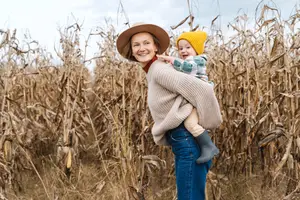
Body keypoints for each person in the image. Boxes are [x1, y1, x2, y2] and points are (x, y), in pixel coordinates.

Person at [116, 22, 222, 200]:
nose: (142, 48)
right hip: (184, 140)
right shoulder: (153, 70)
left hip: (187, 139)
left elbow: (203, 90)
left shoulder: (159, 70)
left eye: (146, 43)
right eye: (136, 45)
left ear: (156, 46)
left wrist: (209, 121)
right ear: (131, 51)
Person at [156, 30, 219, 164]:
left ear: (196, 49)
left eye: (188, 47)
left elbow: (187, 68)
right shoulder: (188, 60)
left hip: (198, 100)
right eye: (180, 48)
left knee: (190, 123)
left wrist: (171, 59)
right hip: (192, 99)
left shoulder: (198, 61)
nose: (183, 51)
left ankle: (209, 146)